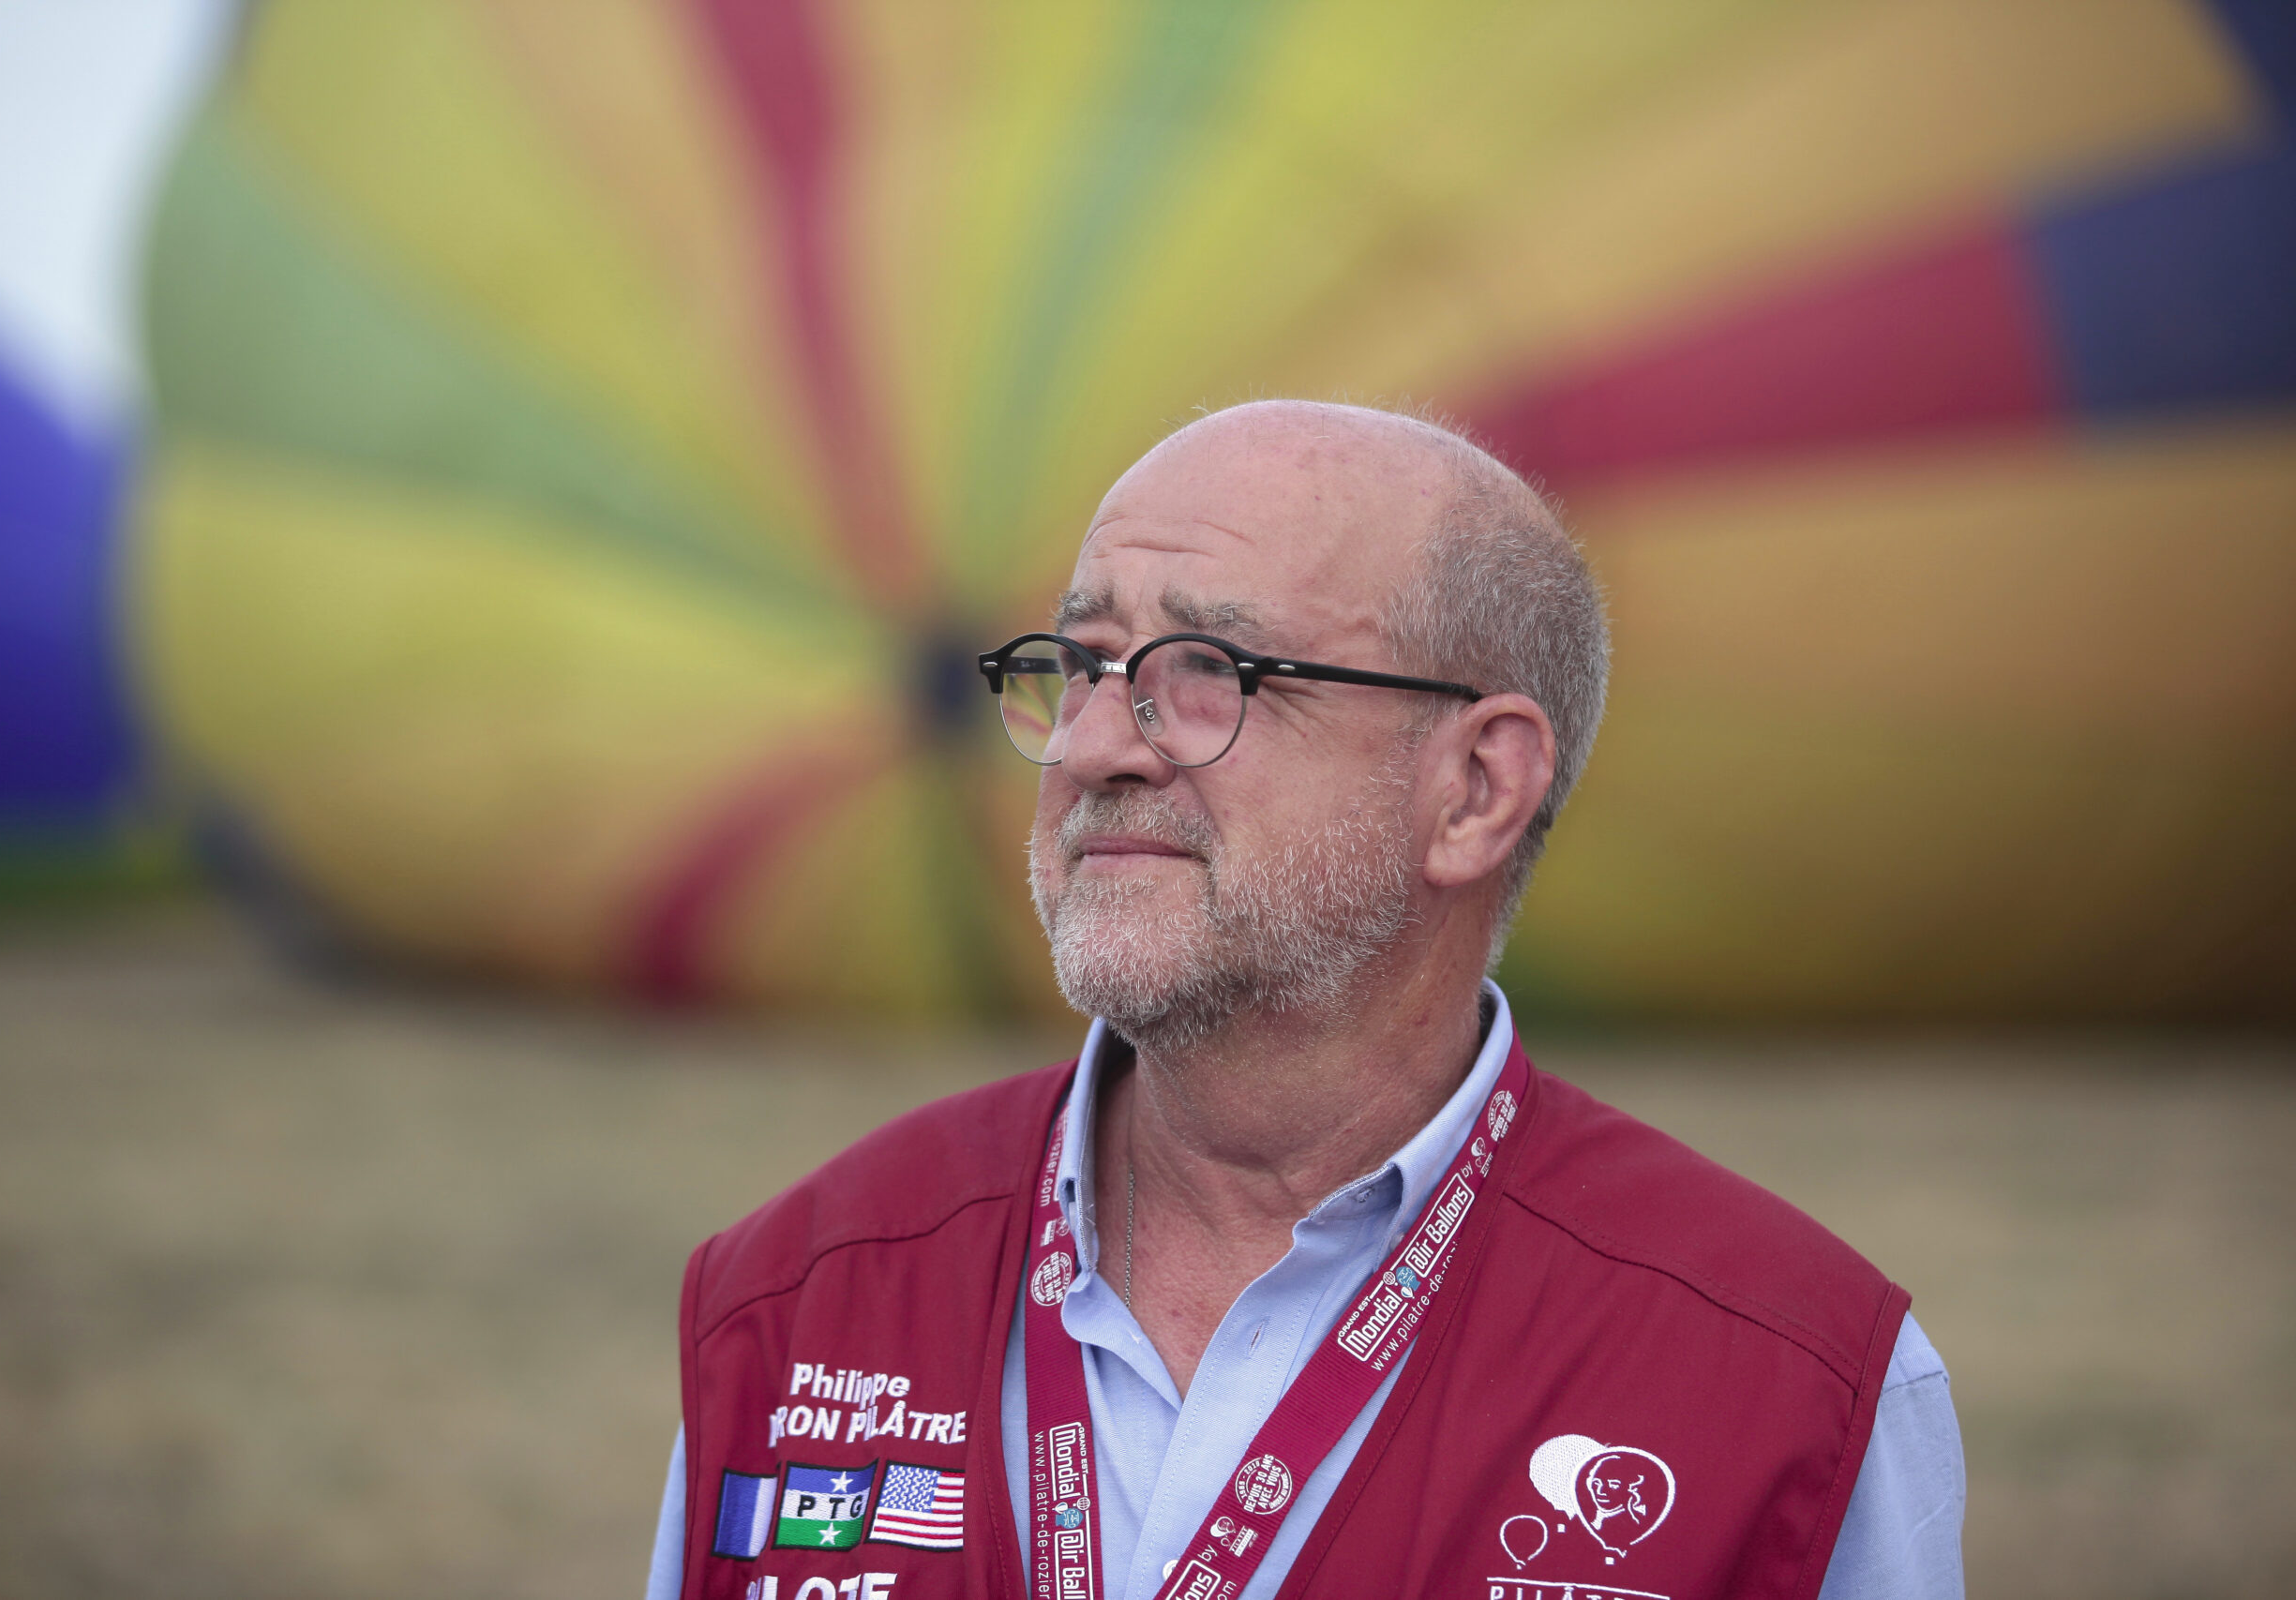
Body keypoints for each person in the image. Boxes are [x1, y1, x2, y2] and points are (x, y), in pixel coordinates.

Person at [646, 401, 1965, 1600]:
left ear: (1474, 791)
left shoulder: (1793, 1384)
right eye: (1083, 663)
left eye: (1208, 672)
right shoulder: (797, 1298)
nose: (1098, 744)